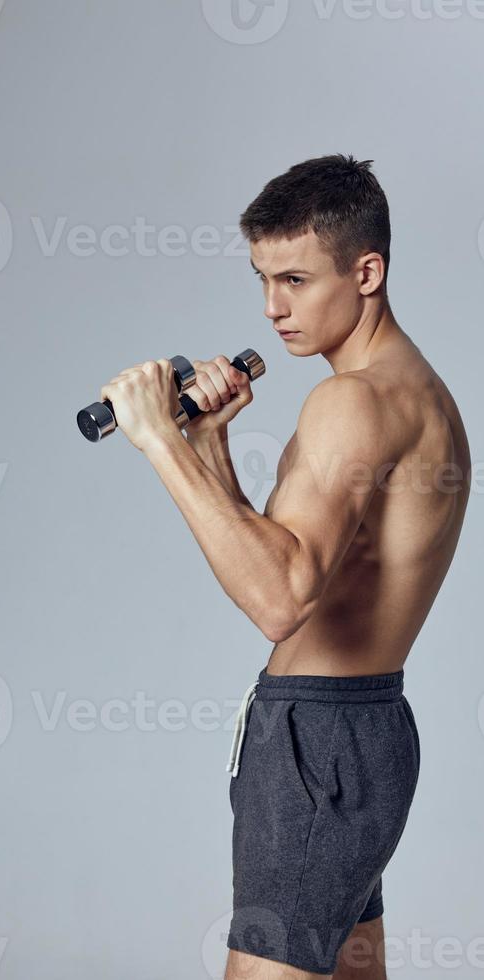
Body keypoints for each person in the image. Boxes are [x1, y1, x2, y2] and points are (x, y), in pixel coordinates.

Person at [99, 153, 471, 979]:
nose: (273, 308)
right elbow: (289, 559)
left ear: (366, 270)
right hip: (364, 728)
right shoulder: (418, 393)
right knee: (353, 971)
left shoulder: (352, 402)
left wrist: (159, 440)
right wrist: (212, 447)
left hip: (318, 740)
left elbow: (277, 602)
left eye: (297, 280)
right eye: (263, 279)